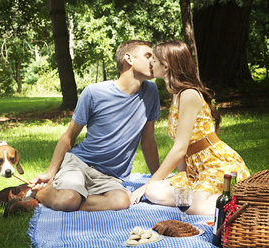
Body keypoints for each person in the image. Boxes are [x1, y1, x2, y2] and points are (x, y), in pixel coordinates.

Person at [28, 40, 161, 212]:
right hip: (79, 163)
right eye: (148, 56)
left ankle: (72, 199)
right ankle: (36, 191)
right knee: (68, 200)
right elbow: (69, 137)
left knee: (122, 201)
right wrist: (49, 174)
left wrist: (157, 179)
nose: (153, 61)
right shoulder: (94, 92)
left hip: (110, 176)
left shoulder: (151, 92)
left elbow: (148, 142)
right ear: (128, 58)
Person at [130, 40, 250, 215]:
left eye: (154, 60)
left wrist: (149, 182)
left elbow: (179, 149)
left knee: (192, 206)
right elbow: (183, 150)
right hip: (195, 170)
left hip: (216, 164)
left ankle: (231, 203)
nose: (150, 63)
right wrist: (181, 178)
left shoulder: (189, 95)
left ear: (166, 67)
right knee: (153, 191)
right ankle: (209, 199)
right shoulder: (176, 94)